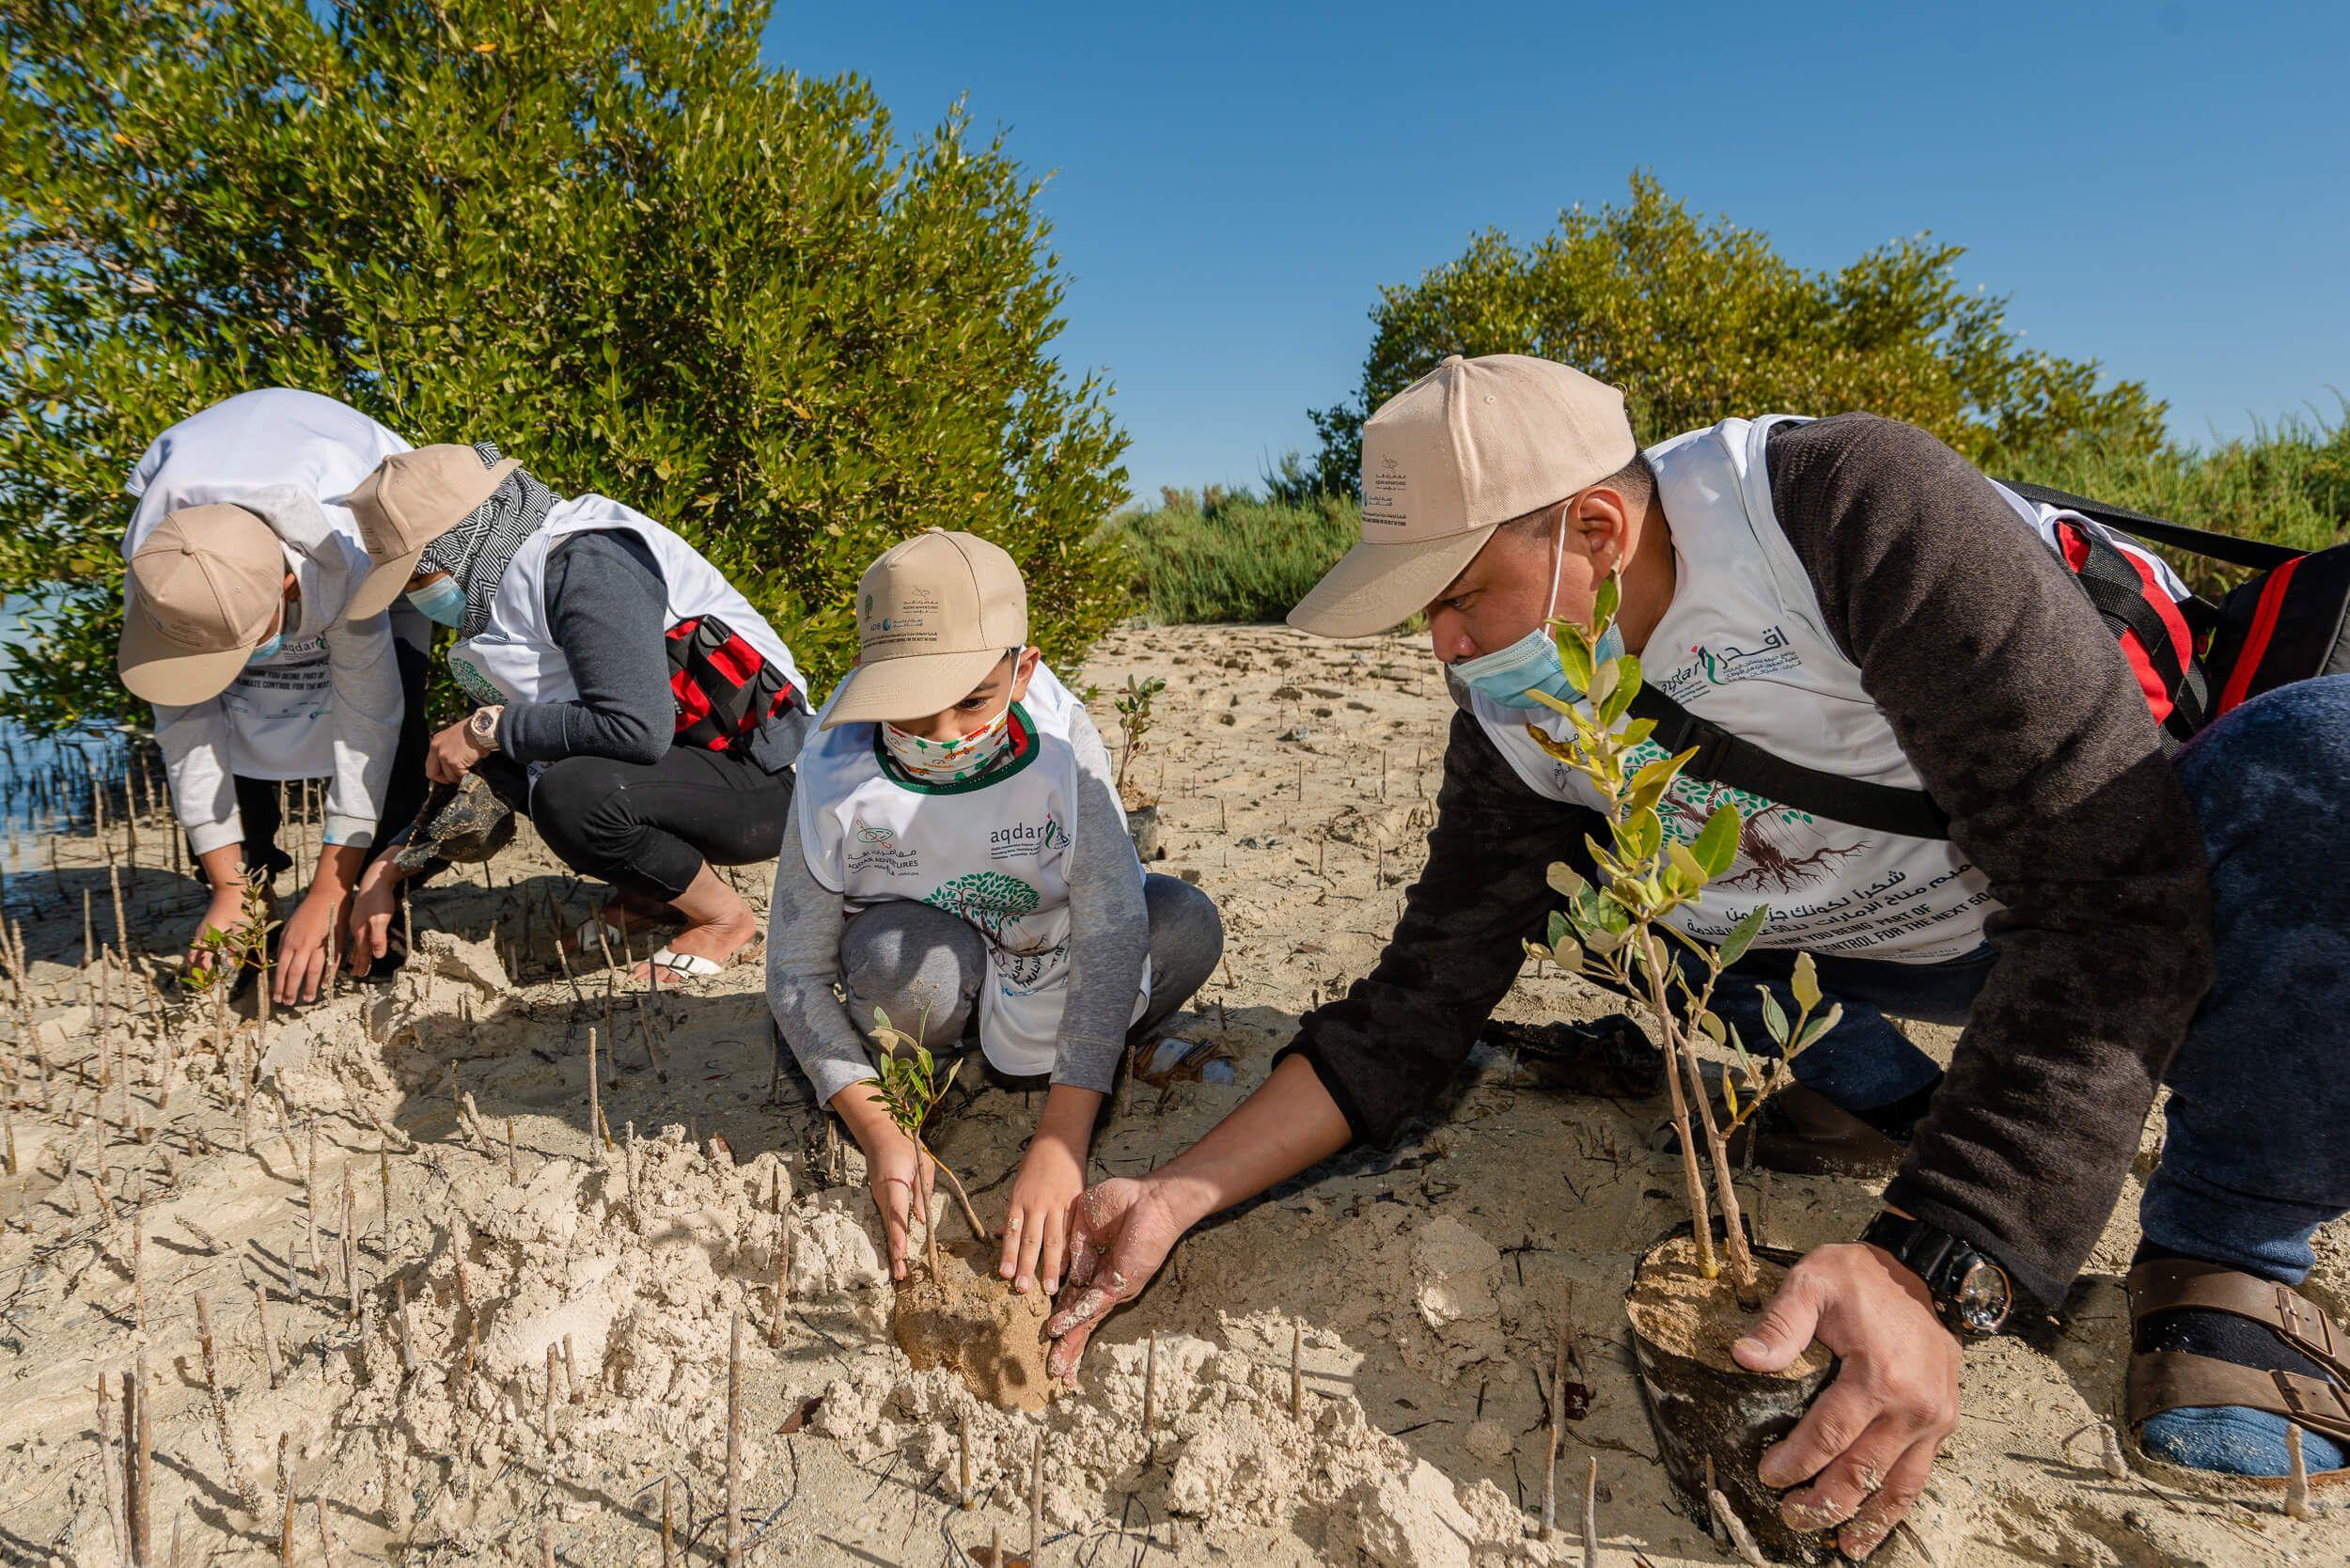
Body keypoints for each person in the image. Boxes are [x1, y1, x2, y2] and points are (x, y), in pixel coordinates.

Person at [1041, 354, 2350, 1558]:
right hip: (1866, 933)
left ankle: (2230, 1246)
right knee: (1584, 892)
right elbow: (1417, 1004)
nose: (1438, 648)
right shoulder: (1524, 706)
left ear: (1596, 533)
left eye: (1455, 599)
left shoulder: (1852, 510)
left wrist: (1938, 1260)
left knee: (2318, 766)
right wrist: (1179, 1194)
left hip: (2139, 881)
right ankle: (1878, 1092)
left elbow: (2109, 899)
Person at [769, 528, 1224, 1296]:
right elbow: (793, 974)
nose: (942, 736)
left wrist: (1063, 1134)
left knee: (1182, 923)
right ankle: (935, 1069)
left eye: (974, 700)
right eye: (910, 712)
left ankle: (1065, 1051)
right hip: (925, 963)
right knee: (905, 969)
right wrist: (881, 1132)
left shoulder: (1061, 748)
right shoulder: (831, 768)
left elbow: (1113, 930)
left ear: (1024, 671)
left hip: (1048, 947)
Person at [338, 442, 808, 980]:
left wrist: (486, 726)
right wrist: (389, 869)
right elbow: (500, 766)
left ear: (453, 547)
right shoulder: (498, 598)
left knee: (573, 794)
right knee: (533, 762)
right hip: (694, 770)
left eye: (414, 579)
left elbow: (637, 731)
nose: (415, 597)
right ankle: (653, 898)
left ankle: (724, 920)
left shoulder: (583, 565)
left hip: (765, 782)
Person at [118, 387, 427, 1004]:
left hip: (368, 513)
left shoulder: (346, 551)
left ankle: (372, 909)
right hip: (207, 519)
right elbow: (186, 728)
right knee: (230, 721)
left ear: (289, 585)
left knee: (399, 737)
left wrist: (329, 889)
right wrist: (226, 881)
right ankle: (252, 905)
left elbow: (372, 721)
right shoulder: (159, 570)